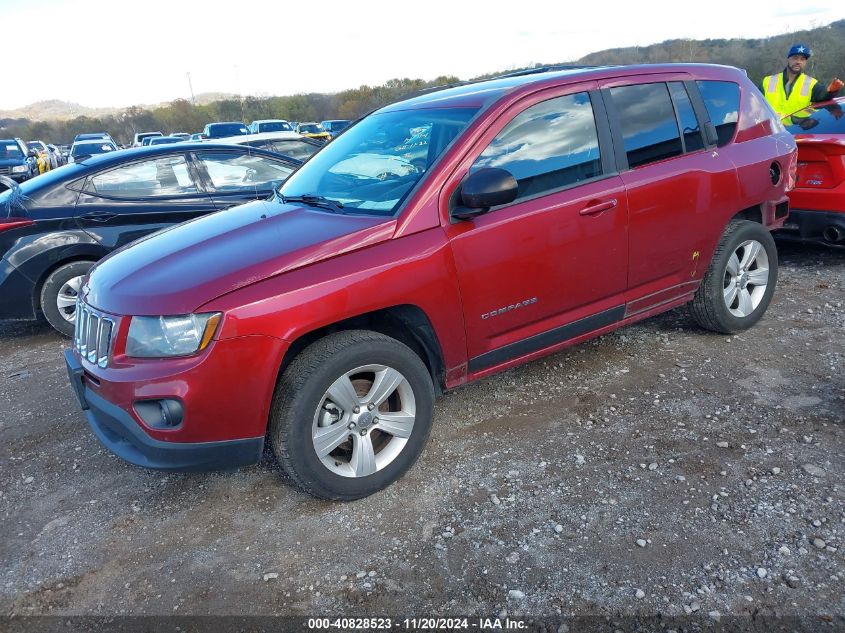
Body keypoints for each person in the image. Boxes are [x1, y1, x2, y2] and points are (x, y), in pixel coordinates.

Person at [761, 44, 843, 118]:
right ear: (788, 59)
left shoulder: (810, 83)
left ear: (805, 62)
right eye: (795, 58)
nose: (798, 62)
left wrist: (830, 91)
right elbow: (753, 103)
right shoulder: (768, 81)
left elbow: (822, 95)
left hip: (795, 131)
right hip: (770, 131)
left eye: (802, 59)